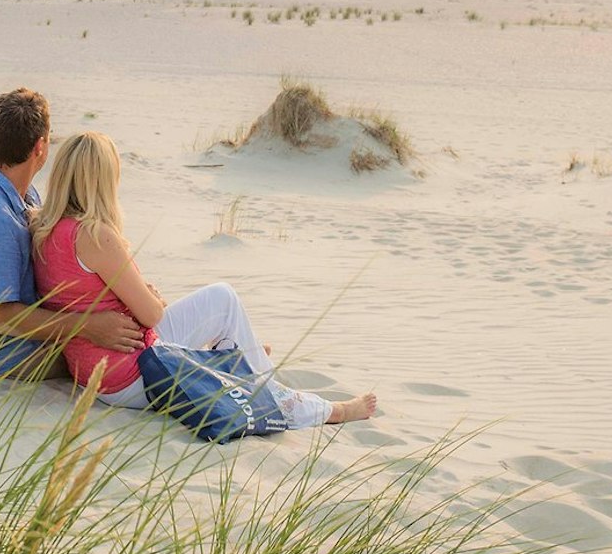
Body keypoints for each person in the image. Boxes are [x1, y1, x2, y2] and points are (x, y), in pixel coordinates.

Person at [31, 130, 378, 426]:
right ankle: (309, 407)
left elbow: (85, 292)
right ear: (105, 182)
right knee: (222, 300)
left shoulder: (44, 230)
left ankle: (242, 354)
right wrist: (150, 297)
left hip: (93, 371)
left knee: (225, 320)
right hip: (135, 374)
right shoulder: (95, 235)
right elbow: (152, 315)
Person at [0, 88, 145, 379]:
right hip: (12, 355)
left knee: (137, 332)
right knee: (132, 356)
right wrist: (88, 325)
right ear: (41, 147)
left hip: (40, 338)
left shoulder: (24, 195)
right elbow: (3, 317)